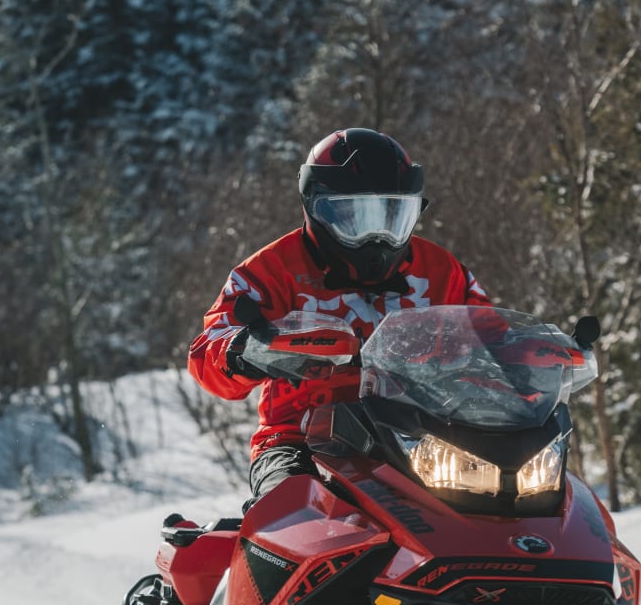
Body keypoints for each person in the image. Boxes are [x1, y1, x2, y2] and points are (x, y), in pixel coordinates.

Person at [188, 128, 491, 502]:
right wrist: (245, 351)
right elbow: (205, 352)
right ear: (315, 207)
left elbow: (491, 334)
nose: (376, 237)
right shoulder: (269, 271)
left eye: (392, 215)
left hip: (427, 435)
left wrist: (533, 360)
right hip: (301, 439)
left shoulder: (442, 270)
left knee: (512, 507)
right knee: (289, 511)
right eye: (354, 217)